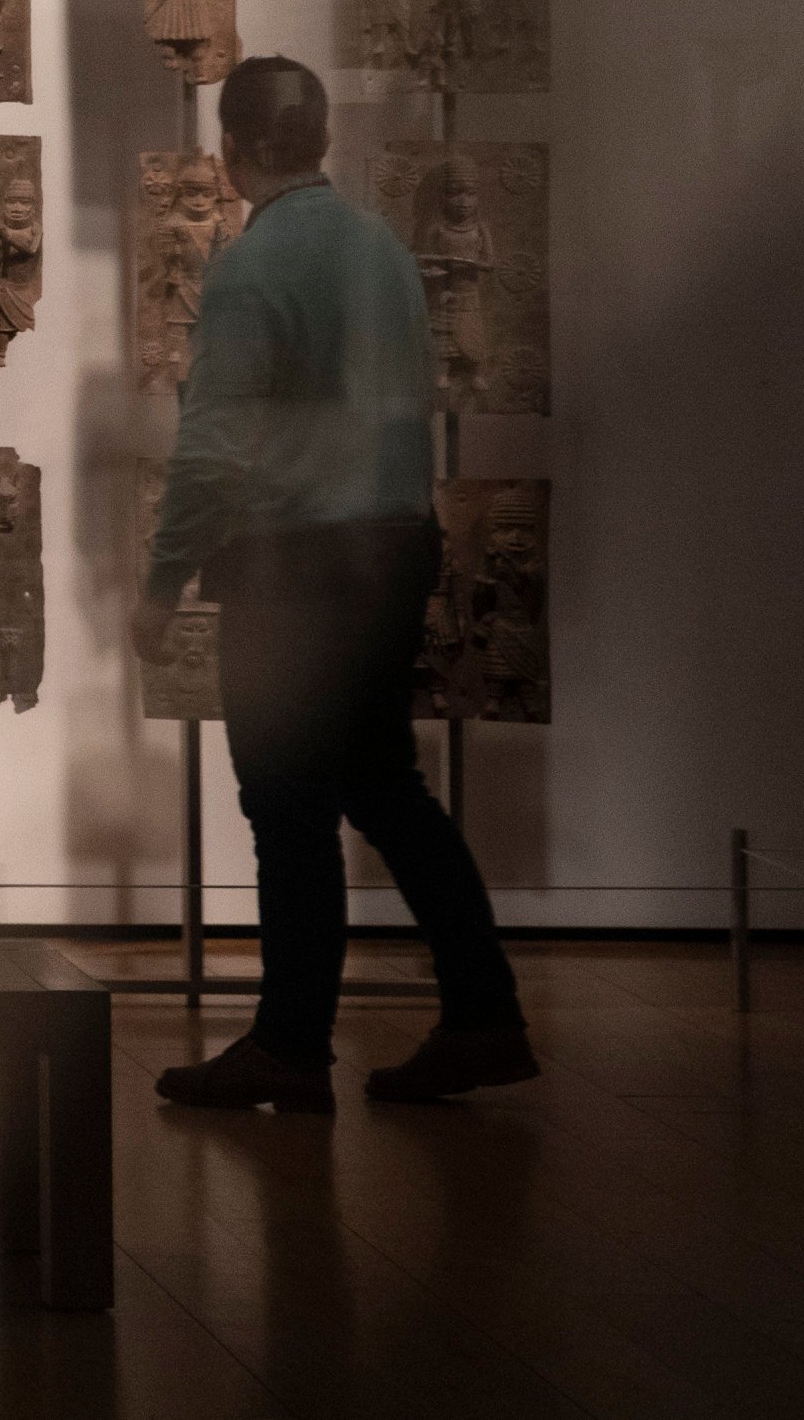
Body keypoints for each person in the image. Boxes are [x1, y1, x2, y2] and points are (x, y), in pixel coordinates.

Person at [137, 54, 533, 1110]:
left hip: (295, 564)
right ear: (314, 139)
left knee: (286, 802)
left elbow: (213, 446)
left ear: (233, 148)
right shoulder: (383, 252)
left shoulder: (252, 268)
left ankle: (291, 1044)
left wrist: (162, 578)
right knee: (383, 788)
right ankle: (483, 1011)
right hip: (394, 544)